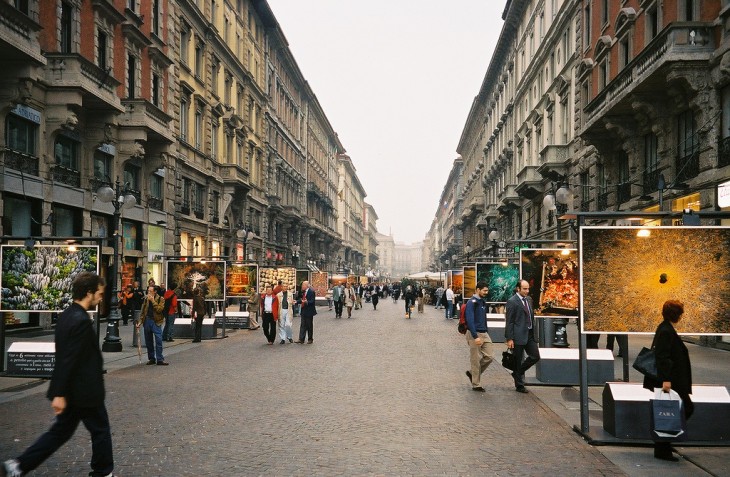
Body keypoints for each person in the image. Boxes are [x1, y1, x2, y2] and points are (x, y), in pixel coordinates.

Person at [2, 272, 115, 477]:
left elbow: (65, 357)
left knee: (59, 433)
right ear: (89, 293)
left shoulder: (66, 315)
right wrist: (59, 393)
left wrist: (60, 391)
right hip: (85, 391)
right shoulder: (80, 320)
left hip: (74, 389)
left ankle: (18, 465)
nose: (100, 298)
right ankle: (103, 472)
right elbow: (68, 358)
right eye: (99, 293)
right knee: (100, 431)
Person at [643, 300, 694, 462]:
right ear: (674, 314)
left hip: (671, 380)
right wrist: (666, 381)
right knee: (680, 409)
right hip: (669, 380)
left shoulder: (665, 327)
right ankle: (662, 445)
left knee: (670, 410)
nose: (681, 316)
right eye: (679, 313)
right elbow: (662, 357)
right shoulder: (666, 330)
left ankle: (664, 443)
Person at [505, 280, 540, 393]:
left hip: (530, 334)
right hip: (518, 335)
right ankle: (519, 385)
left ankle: (517, 373)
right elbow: (509, 321)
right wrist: (509, 338)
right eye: (524, 289)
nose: (527, 291)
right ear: (518, 289)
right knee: (518, 360)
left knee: (535, 356)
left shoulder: (529, 299)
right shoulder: (512, 301)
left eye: (528, 288)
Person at [464, 282, 494, 392]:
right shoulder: (472, 302)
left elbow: (484, 319)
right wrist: (475, 335)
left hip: (484, 333)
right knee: (475, 359)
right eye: (484, 290)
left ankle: (473, 373)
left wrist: (486, 330)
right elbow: (470, 320)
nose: (486, 292)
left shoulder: (482, 302)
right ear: (478, 290)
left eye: (487, 290)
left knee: (490, 356)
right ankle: (476, 384)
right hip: (474, 333)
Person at [137, 285, 168, 365]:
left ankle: (160, 359)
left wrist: (153, 301)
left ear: (155, 292)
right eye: (148, 291)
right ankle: (151, 358)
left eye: (150, 291)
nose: (149, 293)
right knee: (148, 341)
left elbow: (159, 309)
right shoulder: (146, 299)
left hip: (156, 321)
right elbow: (143, 310)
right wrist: (140, 321)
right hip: (147, 320)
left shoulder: (161, 299)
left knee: (158, 340)